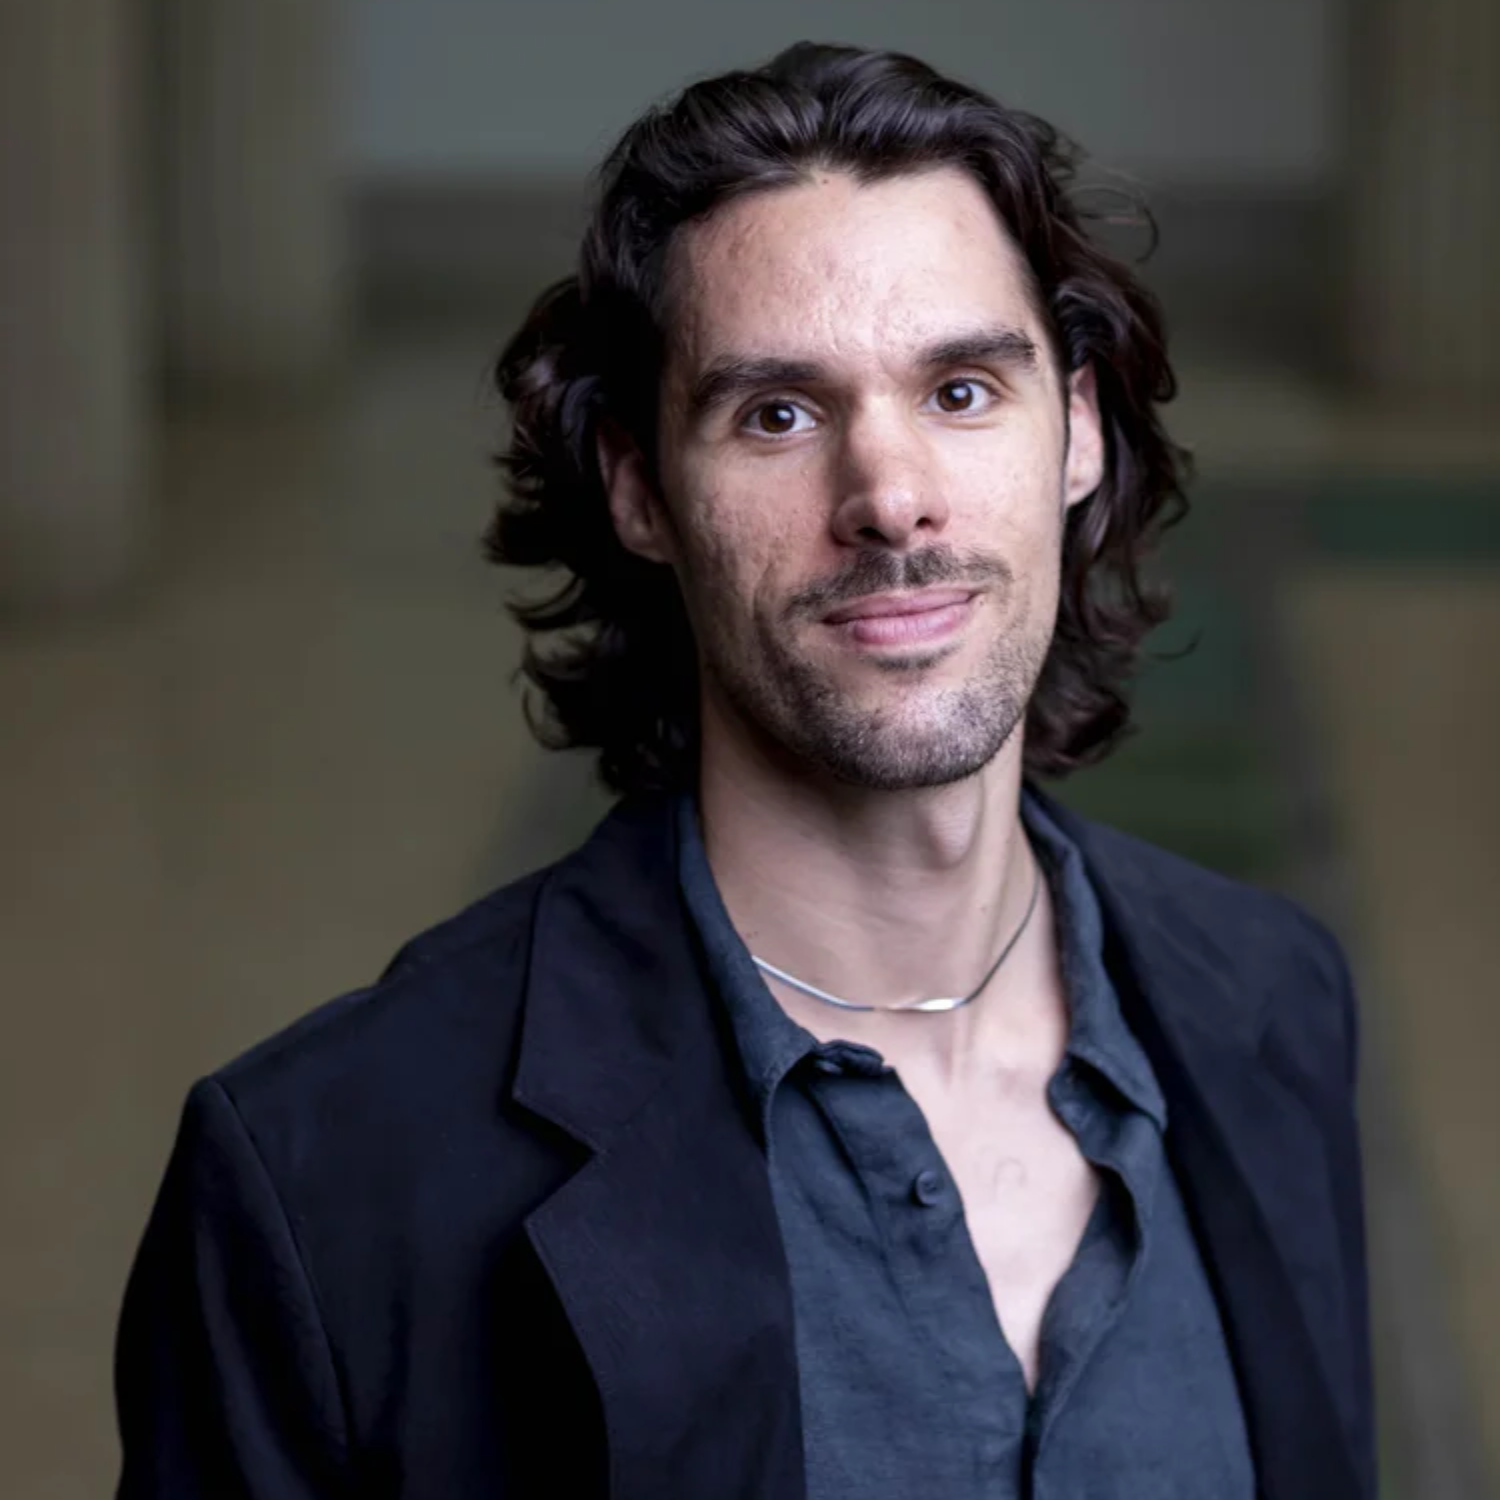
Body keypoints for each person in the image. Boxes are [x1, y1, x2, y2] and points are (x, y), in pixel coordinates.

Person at [114, 42, 1375, 1500]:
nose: (890, 496)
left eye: (963, 390)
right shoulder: (327, 1177)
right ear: (641, 488)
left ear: (1078, 429)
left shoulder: (1275, 1007)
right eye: (777, 413)